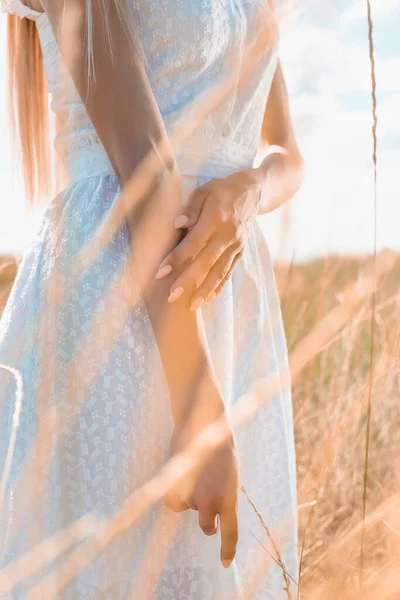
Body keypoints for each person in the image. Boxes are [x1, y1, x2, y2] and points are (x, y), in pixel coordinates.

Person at [0, 0, 303, 598]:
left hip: (231, 293)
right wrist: (198, 408)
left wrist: (248, 191)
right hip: (112, 290)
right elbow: (145, 168)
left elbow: (286, 153)